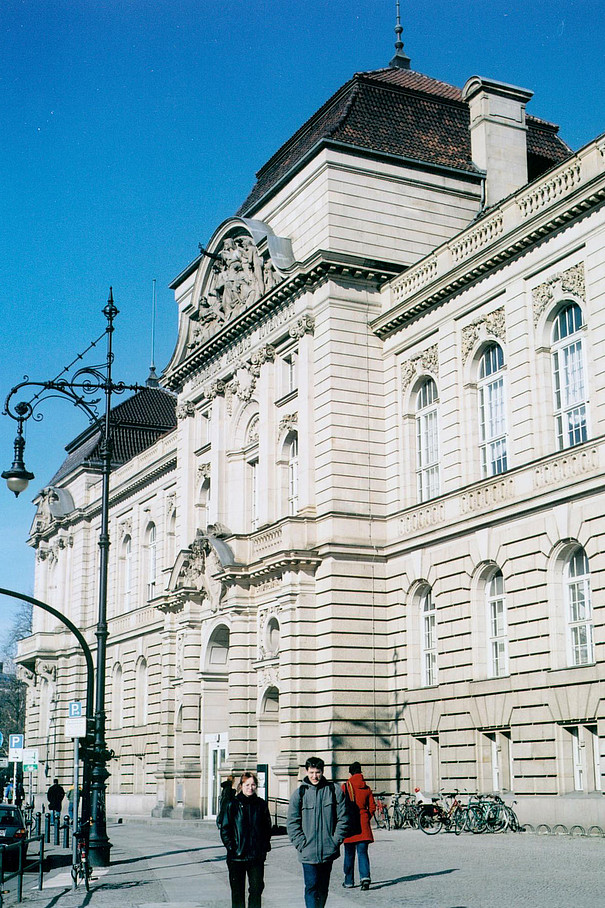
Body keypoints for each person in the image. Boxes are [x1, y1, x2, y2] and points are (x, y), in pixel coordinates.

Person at [287, 756, 348, 908]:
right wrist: (301, 844)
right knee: (311, 887)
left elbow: (343, 818)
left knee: (323, 888)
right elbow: (292, 822)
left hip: (328, 850)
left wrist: (335, 841)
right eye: (312, 772)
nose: (315, 776)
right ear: (306, 772)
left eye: (318, 772)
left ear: (323, 771)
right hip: (307, 852)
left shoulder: (334, 791)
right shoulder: (299, 794)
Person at [219, 771, 272, 908]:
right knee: (237, 893)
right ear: (241, 786)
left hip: (256, 856)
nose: (250, 788)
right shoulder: (233, 804)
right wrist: (232, 847)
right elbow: (225, 829)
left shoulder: (261, 804)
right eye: (247, 784)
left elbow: (267, 828)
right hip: (237, 856)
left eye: (253, 785)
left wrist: (263, 847)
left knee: (256, 889)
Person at [341, 762, 376, 891]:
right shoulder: (366, 788)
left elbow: (340, 806)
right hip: (363, 825)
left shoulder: (345, 786)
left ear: (350, 773)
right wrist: (366, 817)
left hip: (350, 825)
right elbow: (372, 807)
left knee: (349, 854)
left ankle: (349, 880)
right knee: (362, 853)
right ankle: (365, 878)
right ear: (361, 772)